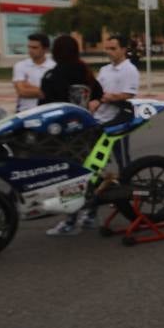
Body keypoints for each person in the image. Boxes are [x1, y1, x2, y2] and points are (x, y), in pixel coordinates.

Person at [39, 35, 106, 237]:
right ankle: (91, 214)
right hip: (85, 129)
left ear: (56, 52)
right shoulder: (83, 70)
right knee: (87, 172)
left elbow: (47, 104)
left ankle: (70, 220)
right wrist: (91, 105)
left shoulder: (53, 75)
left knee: (67, 176)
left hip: (62, 134)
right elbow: (99, 92)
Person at [12, 32, 54, 113]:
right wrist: (45, 92)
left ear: (45, 49)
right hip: (25, 113)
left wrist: (29, 86)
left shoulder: (53, 67)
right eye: (29, 47)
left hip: (47, 112)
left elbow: (53, 94)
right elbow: (21, 92)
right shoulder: (20, 66)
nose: (30, 50)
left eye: (35, 47)